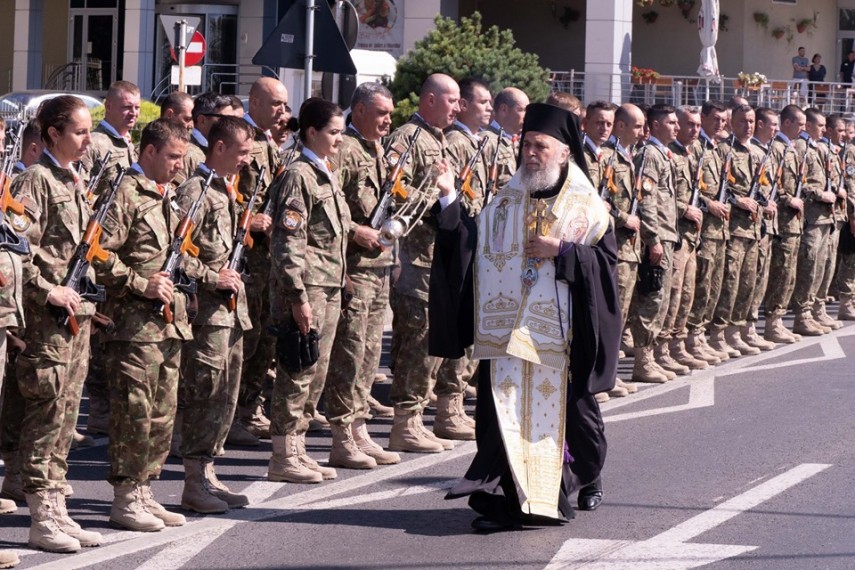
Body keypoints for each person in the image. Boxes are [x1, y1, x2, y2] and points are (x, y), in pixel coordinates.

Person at [434, 102, 620, 531]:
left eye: (540, 146)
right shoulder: (506, 199)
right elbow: (471, 245)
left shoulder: (587, 207)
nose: (530, 153)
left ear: (564, 152)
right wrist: (448, 196)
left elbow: (605, 268)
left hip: (561, 339)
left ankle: (581, 478)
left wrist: (565, 252)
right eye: (526, 145)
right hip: (505, 339)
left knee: (577, 428)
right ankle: (519, 501)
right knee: (504, 418)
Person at [13, 95, 103, 552]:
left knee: (67, 417)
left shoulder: (74, 179)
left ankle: (58, 508)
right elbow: (13, 252)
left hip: (76, 319)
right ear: (52, 134)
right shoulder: (36, 181)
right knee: (45, 416)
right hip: (46, 321)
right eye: (81, 132)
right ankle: (40, 514)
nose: (89, 140)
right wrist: (47, 289)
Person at [92, 119, 191, 531]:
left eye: (182, 159)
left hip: (168, 325)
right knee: (133, 414)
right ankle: (125, 496)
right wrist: (139, 283)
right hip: (132, 327)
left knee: (162, 415)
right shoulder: (123, 194)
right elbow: (96, 253)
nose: (178, 167)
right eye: (172, 157)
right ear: (148, 152)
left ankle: (145, 489)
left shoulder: (167, 196)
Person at [265, 98, 350, 484]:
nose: (339, 139)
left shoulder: (324, 172)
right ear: (311, 132)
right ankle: (283, 453)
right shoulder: (299, 174)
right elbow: (288, 243)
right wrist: (297, 297)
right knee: (297, 369)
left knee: (315, 370)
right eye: (333, 132)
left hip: (327, 285)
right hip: (307, 288)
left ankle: (298, 446)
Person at [174, 116, 253, 513]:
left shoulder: (226, 191)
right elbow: (176, 255)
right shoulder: (197, 190)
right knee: (205, 394)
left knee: (225, 396)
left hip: (231, 312)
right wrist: (211, 276)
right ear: (218, 148)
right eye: (241, 152)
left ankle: (207, 472)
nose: (246, 160)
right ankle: (193, 480)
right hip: (206, 313)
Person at [324, 82, 400, 469]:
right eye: (382, 113)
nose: (388, 120)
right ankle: (341, 436)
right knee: (350, 354)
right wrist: (356, 229)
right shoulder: (346, 150)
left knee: (370, 355)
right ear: (358, 111)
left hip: (379, 265)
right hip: (354, 267)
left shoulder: (378, 149)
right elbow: (328, 206)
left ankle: (358, 429)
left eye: (390, 113)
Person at [386, 74, 460, 454]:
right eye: (451, 100)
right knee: (416, 340)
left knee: (432, 339)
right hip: (413, 258)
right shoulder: (408, 138)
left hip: (436, 258)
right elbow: (394, 191)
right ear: (429, 100)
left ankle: (416, 418)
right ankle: (405, 422)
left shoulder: (438, 139)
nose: (457, 108)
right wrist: (439, 199)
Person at [226, 77, 287, 449]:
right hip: (245, 257)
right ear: (255, 101)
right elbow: (219, 193)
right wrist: (245, 218)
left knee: (265, 339)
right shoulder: (242, 139)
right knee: (245, 341)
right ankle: (232, 414)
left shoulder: (269, 143)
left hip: (269, 259)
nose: (282, 111)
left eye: (284, 105)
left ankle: (250, 406)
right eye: (275, 104)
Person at [80, 80, 142, 438]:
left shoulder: (127, 144)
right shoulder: (100, 144)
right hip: (100, 243)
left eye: (135, 107)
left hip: (121, 244)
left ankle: (105, 410)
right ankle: (99, 411)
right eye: (126, 107)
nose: (132, 113)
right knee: (102, 334)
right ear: (108, 106)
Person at [707, 105, 768, 357]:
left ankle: (738, 330)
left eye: (752, 121)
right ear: (732, 123)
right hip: (732, 228)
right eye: (743, 122)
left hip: (754, 228)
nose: (749, 126)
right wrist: (737, 200)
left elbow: (763, 186)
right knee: (729, 282)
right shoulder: (724, 150)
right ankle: (718, 334)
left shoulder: (757, 151)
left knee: (747, 282)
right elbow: (715, 188)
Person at [628, 104, 680, 384]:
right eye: (671, 122)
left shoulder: (662, 154)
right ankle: (642, 360)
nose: (677, 127)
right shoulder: (650, 154)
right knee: (651, 299)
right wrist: (653, 239)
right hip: (657, 237)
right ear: (656, 125)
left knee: (661, 299)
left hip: (667, 235)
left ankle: (653, 355)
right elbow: (645, 200)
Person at [684, 101, 732, 364]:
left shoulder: (717, 149)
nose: (720, 124)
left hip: (719, 230)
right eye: (715, 119)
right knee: (700, 286)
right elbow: (689, 189)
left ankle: (701, 335)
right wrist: (707, 202)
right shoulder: (697, 149)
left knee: (713, 286)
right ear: (703, 118)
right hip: (701, 230)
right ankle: (691, 338)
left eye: (723, 120)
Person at [602, 103, 644, 397]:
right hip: (613, 245)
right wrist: (622, 217)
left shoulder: (629, 156)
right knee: (610, 313)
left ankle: (611, 374)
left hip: (629, 247)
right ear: (621, 126)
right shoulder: (607, 157)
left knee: (620, 314)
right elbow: (599, 199)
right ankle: (603, 374)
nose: (643, 132)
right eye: (638, 126)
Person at [662, 105, 708, 372]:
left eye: (697, 126)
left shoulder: (697, 153)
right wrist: (683, 208)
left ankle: (679, 344)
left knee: (688, 292)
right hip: (676, 233)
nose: (694, 130)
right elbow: (661, 196)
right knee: (673, 292)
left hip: (693, 235)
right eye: (689, 124)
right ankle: (662, 347)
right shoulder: (670, 155)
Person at [791, 108, 838, 336]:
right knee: (808, 266)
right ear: (808, 125)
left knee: (820, 266)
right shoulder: (801, 147)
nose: (823, 129)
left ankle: (812, 309)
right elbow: (799, 184)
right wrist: (821, 194)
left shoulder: (816, 147)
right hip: (811, 216)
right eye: (819, 125)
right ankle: (802, 314)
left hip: (823, 216)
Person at [764, 105, 807, 343]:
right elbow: (771, 184)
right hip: (781, 221)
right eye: (799, 124)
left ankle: (778, 320)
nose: (803, 129)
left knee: (789, 273)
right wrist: (787, 198)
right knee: (781, 273)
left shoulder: (789, 147)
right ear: (787, 123)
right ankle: (772, 322)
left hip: (793, 222)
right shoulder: (777, 148)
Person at [745, 107, 781, 347]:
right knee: (747, 280)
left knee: (760, 278)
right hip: (751, 224)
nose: (776, 130)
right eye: (773, 125)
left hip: (766, 225)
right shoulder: (753, 151)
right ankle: (745, 329)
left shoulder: (769, 150)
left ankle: (753, 328)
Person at [174, 92, 236, 186]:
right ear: (202, 120)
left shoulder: (224, 150)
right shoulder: (183, 152)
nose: (231, 126)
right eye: (224, 119)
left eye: (233, 120)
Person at [482, 87, 529, 191]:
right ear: (504, 109)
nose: (527, 116)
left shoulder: (522, 142)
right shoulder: (485, 141)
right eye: (521, 110)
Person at [581, 101, 617, 189]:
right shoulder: (579, 154)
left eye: (609, 124)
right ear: (585, 124)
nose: (605, 128)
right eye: (600, 123)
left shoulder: (606, 155)